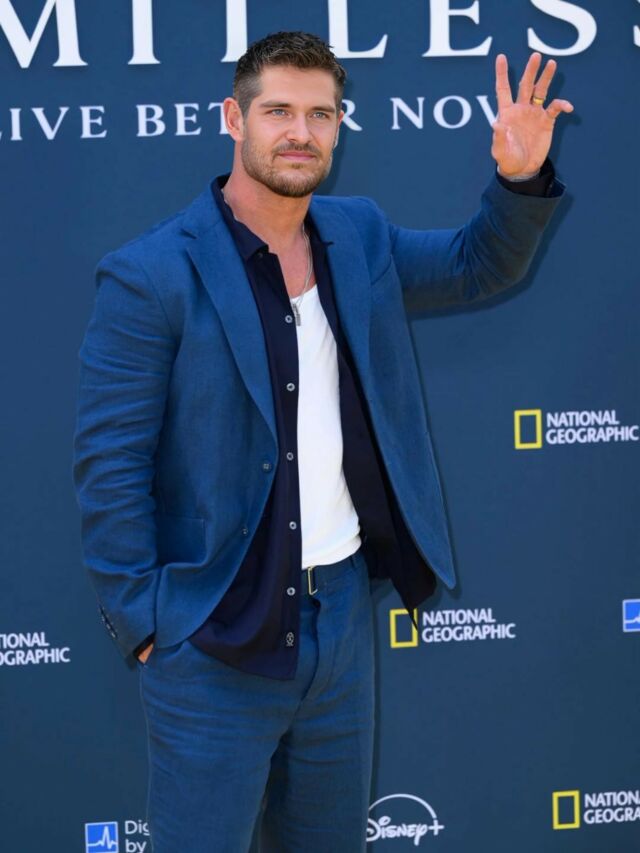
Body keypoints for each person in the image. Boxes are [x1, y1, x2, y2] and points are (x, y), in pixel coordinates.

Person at [72, 30, 572, 853]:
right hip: (214, 633)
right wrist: (149, 620)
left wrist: (519, 179)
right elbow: (110, 464)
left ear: (339, 125)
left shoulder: (357, 235)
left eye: (320, 114)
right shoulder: (151, 273)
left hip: (339, 622)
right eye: (278, 111)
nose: (300, 132)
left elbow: (477, 265)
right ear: (233, 119)